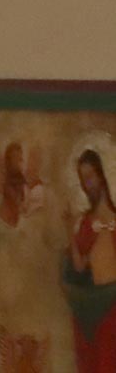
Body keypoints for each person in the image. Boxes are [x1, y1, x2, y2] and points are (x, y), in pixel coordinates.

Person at [62, 148, 116, 372]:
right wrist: (69, 231)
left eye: (90, 177)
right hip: (99, 308)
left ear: (102, 176)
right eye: (83, 179)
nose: (87, 185)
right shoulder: (87, 222)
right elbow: (79, 265)